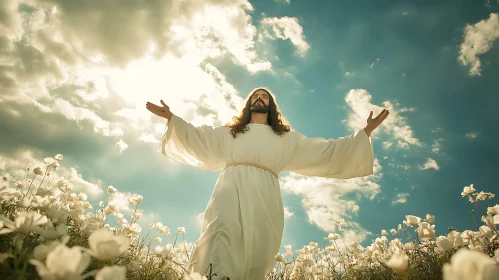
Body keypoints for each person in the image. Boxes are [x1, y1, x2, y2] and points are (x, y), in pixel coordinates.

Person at [146, 87, 389, 280]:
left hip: (265, 197)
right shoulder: (230, 133)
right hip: (230, 190)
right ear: (249, 103)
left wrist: (365, 132)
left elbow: (326, 150)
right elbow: (197, 136)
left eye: (265, 97)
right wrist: (172, 118)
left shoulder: (286, 139)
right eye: (255, 95)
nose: (260, 98)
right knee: (221, 234)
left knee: (257, 252)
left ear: (271, 106)